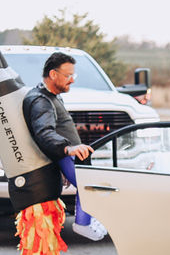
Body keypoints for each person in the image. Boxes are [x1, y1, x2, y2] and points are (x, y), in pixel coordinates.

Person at [24, 52, 108, 241]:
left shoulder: (52, 96)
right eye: (68, 76)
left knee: (89, 184)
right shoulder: (41, 101)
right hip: (64, 156)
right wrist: (67, 150)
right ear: (53, 75)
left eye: (73, 76)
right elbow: (44, 133)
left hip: (65, 158)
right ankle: (83, 224)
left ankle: (88, 220)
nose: (72, 80)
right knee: (89, 185)